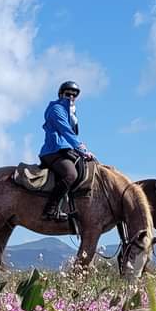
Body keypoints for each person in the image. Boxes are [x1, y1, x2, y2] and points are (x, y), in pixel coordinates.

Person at [38, 81, 93, 221]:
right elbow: (66, 132)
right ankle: (50, 209)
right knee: (71, 175)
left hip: (65, 150)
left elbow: (72, 135)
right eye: (68, 94)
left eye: (74, 95)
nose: (71, 97)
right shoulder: (56, 109)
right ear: (61, 94)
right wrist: (82, 149)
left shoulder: (71, 113)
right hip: (53, 150)